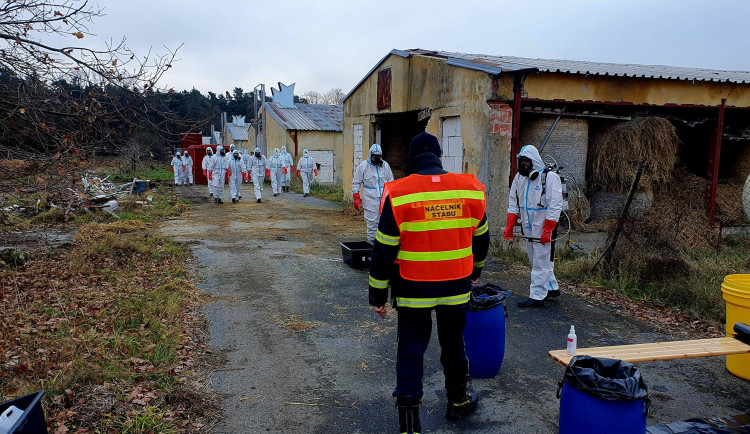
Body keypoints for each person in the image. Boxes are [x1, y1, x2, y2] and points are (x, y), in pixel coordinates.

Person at [367, 132, 490, 433]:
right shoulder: (470, 190)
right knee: (453, 345)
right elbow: (482, 239)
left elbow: (383, 251)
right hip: (457, 287)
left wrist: (377, 295)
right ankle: (458, 401)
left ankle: (410, 425)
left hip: (413, 289)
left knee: (411, 351)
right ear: (438, 156)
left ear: (412, 159)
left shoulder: (399, 194)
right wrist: (476, 270)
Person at [503, 144, 563, 308]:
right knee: (535, 258)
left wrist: (548, 229)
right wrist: (510, 225)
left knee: (540, 260)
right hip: (528, 225)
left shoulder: (549, 178)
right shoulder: (519, 178)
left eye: (526, 161)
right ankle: (551, 287)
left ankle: (537, 296)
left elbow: (555, 205)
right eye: (521, 161)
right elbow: (513, 201)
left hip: (543, 225)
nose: (523, 164)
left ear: (533, 161)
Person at [352, 143, 394, 243]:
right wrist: (356, 197)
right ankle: (371, 245)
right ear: (370, 155)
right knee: (372, 224)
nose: (376, 158)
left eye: (378, 156)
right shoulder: (363, 167)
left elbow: (391, 182)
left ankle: (382, 246)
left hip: (384, 199)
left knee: (384, 224)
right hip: (370, 200)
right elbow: (356, 182)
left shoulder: (385, 166)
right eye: (374, 156)